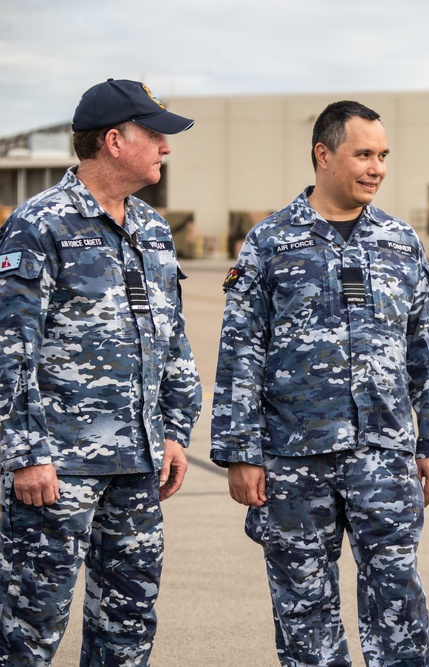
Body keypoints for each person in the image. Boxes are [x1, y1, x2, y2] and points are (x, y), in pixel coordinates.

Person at [210, 100, 429, 667]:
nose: (376, 167)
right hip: (292, 458)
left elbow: (427, 349)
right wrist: (238, 452)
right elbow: (240, 352)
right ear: (323, 155)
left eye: (383, 156)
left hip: (384, 453)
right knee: (303, 608)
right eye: (363, 154)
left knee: (398, 598)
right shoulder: (270, 242)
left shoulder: (401, 242)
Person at [0, 79, 202, 665]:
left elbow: (172, 340)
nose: (166, 147)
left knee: (129, 623)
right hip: (58, 470)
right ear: (114, 141)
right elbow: (10, 349)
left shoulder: (153, 230)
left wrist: (173, 431)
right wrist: (26, 453)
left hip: (137, 467)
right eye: (155, 135)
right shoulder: (40, 226)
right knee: (29, 629)